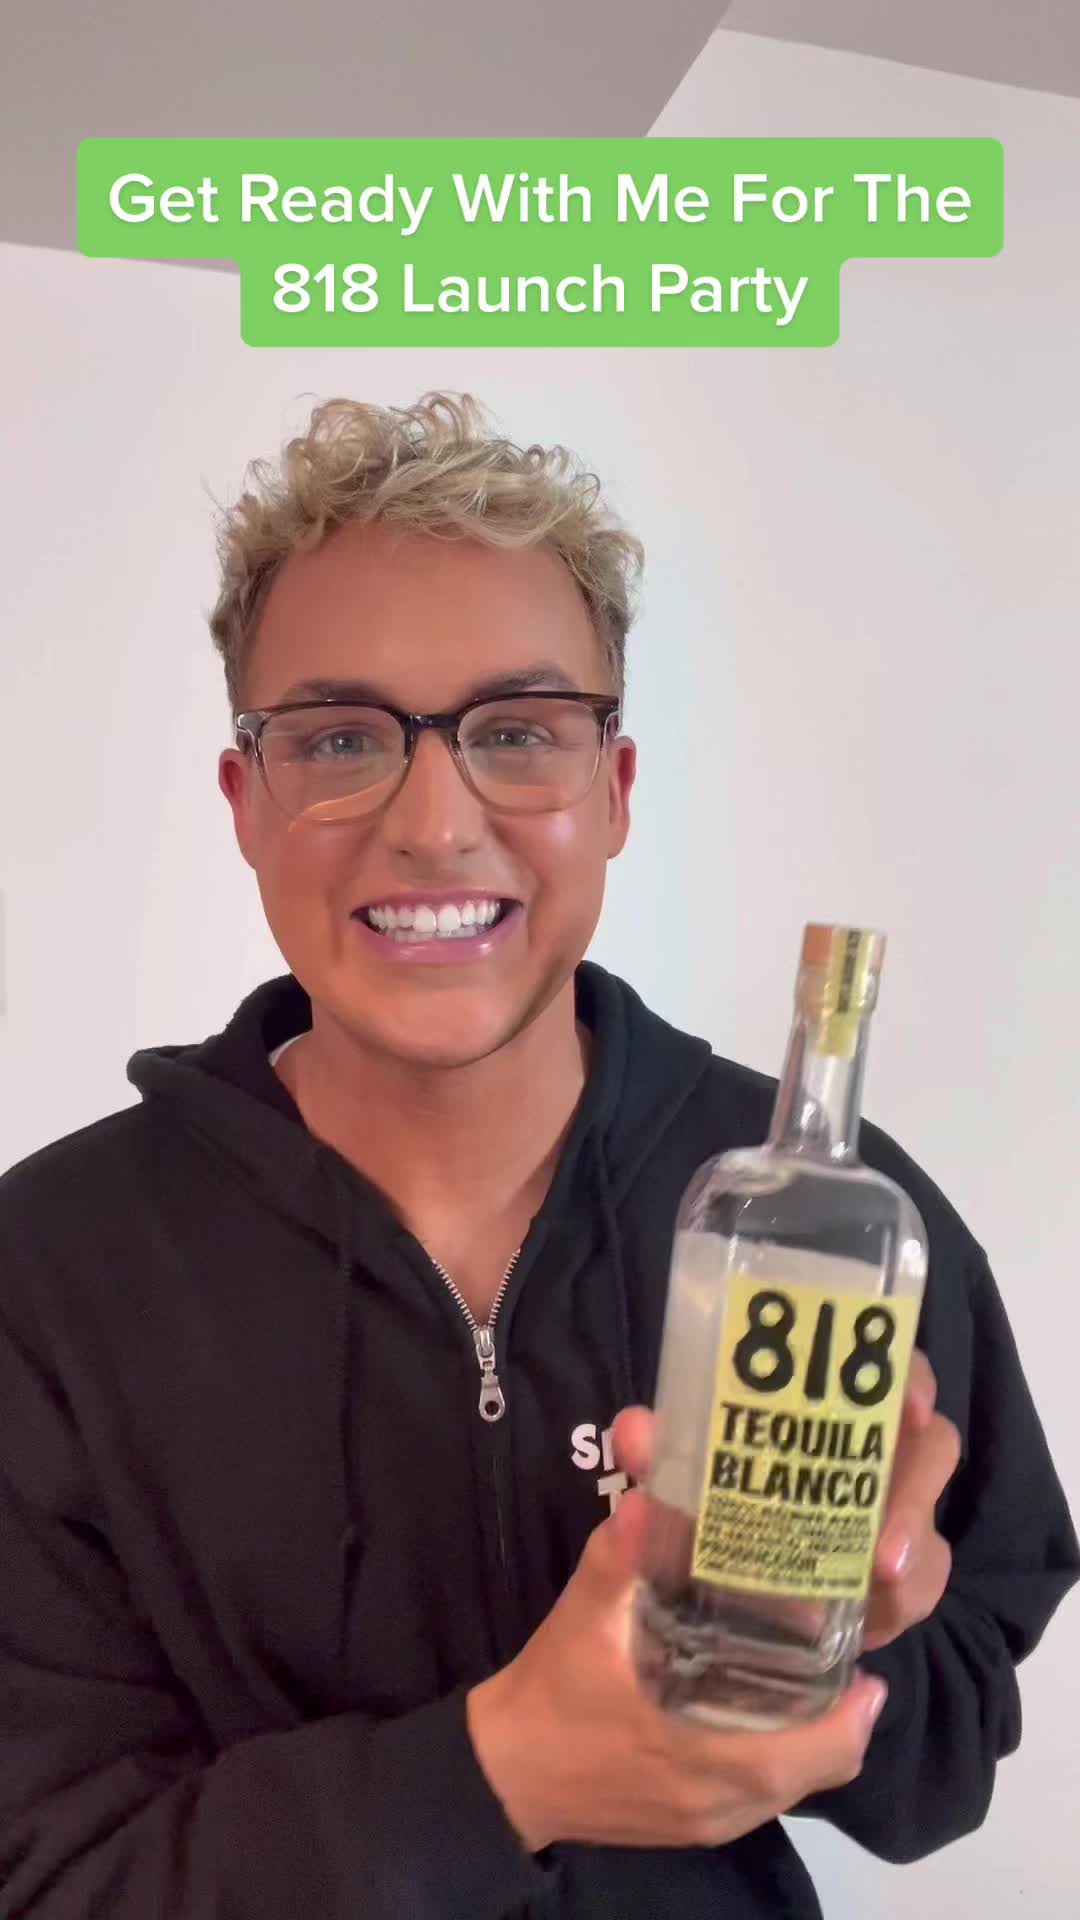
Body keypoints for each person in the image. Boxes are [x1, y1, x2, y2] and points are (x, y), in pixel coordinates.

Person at [0, 392, 1075, 1920]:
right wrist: (503, 1777)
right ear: (247, 803)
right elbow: (50, 1873)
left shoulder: (826, 1236)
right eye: (340, 739)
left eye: (515, 732)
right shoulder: (47, 1279)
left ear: (614, 789)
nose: (436, 825)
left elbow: (944, 1767)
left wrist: (852, 1627)